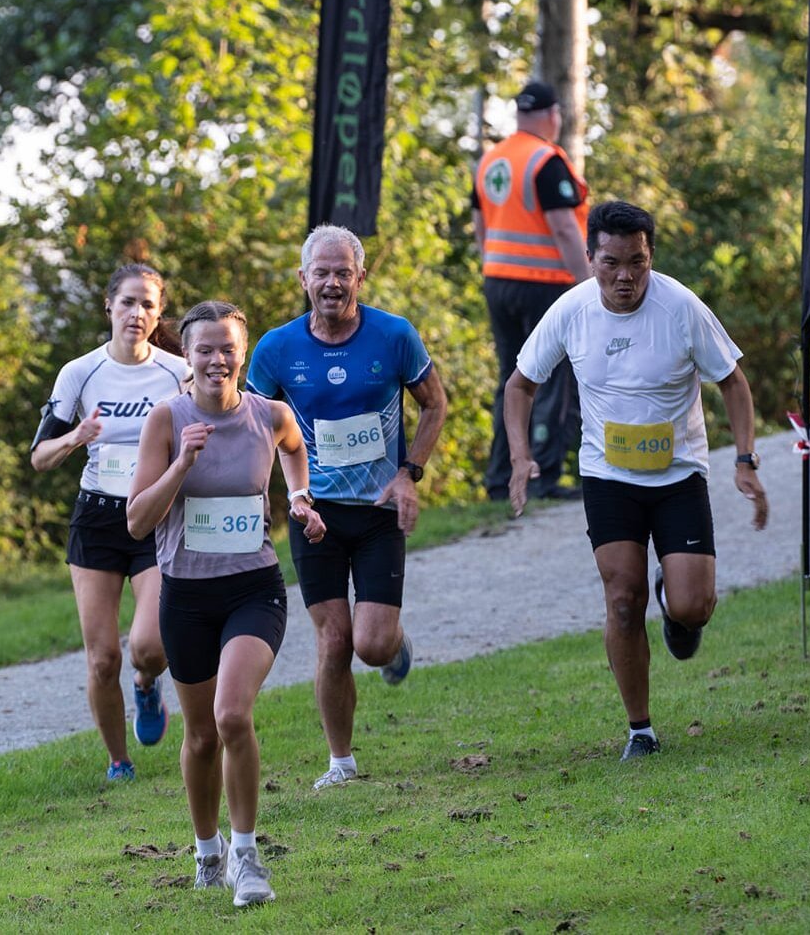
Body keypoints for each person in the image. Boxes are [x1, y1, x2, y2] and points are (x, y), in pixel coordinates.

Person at [504, 200, 769, 761]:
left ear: (650, 257)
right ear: (590, 257)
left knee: (694, 605)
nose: (624, 277)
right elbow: (520, 385)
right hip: (608, 475)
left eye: (637, 263)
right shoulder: (571, 310)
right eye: (611, 263)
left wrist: (745, 460)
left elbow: (734, 384)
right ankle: (640, 730)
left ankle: (676, 608)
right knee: (621, 599)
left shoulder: (681, 308)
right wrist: (521, 456)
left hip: (677, 476)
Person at [127, 300, 325, 907]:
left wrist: (298, 497)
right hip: (185, 594)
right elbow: (137, 521)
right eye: (204, 349)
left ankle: (246, 854)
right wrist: (183, 460)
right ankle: (206, 849)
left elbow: (295, 448)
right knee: (202, 736)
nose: (217, 359)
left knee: (232, 715)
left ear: (243, 353)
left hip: (253, 589)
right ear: (185, 356)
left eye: (227, 348)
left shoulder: (270, 414)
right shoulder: (167, 419)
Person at [246, 224, 448, 791]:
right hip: (315, 516)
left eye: (343, 272)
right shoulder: (277, 349)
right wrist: (269, 498)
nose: (332, 283)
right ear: (303, 278)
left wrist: (410, 474)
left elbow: (435, 405)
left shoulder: (394, 336)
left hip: (380, 509)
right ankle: (341, 763)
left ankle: (392, 641)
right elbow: (254, 429)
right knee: (334, 640)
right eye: (321, 272)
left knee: (373, 643)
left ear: (361, 277)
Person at [30, 263, 189, 783]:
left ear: (159, 313)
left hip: (156, 517)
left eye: (147, 304)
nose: (137, 313)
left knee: (150, 645)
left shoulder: (177, 372)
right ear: (109, 308)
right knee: (102, 660)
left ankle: (147, 684)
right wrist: (78, 436)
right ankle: (119, 762)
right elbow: (39, 457)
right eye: (128, 303)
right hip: (97, 519)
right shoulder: (80, 373)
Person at [473, 79, 590, 501]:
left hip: (498, 281)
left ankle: (500, 478)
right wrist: (590, 286)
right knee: (552, 377)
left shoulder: (491, 161)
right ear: (553, 116)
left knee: (512, 378)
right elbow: (563, 227)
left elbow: (480, 227)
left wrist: (493, 268)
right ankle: (543, 476)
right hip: (545, 285)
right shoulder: (546, 161)